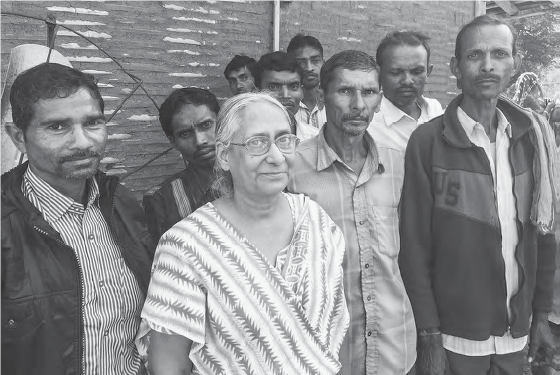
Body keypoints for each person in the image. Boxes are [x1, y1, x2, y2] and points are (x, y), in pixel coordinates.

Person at [137, 92, 349, 374]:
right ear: (225, 155)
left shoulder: (316, 220)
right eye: (257, 143)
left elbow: (337, 329)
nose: (276, 157)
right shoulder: (186, 246)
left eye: (284, 139)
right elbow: (167, 366)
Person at [399, 15, 558, 375]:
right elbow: (413, 247)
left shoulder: (533, 138)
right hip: (455, 338)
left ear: (515, 64)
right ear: (456, 67)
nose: (488, 65)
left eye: (499, 53)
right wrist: (429, 337)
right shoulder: (427, 142)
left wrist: (542, 316)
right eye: (475, 55)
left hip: (516, 335)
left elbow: (543, 233)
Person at [0, 63, 155, 374]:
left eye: (93, 123)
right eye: (57, 127)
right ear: (18, 137)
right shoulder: (8, 223)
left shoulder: (121, 204)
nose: (84, 142)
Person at [289, 50, 417, 374]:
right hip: (326, 354)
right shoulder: (293, 170)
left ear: (379, 99)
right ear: (322, 95)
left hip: (394, 349)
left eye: (369, 92)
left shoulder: (399, 164)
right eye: (346, 91)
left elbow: (414, 256)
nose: (359, 104)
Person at [143, 88, 219, 240]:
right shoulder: (162, 200)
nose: (200, 141)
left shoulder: (257, 175)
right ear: (173, 142)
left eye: (206, 125)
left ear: (222, 121)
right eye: (185, 134)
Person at [369, 30, 443, 154]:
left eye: (417, 72)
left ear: (428, 71)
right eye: (396, 72)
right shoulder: (368, 122)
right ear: (379, 73)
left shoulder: (436, 111)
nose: (407, 81)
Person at [254, 51, 319, 141]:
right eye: (273, 87)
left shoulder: (315, 139)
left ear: (302, 92)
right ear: (257, 92)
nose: (285, 95)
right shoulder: (241, 139)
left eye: (293, 87)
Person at [287, 34, 327, 129]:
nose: (309, 68)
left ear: (324, 64)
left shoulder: (333, 103)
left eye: (315, 61)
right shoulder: (286, 105)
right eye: (301, 62)